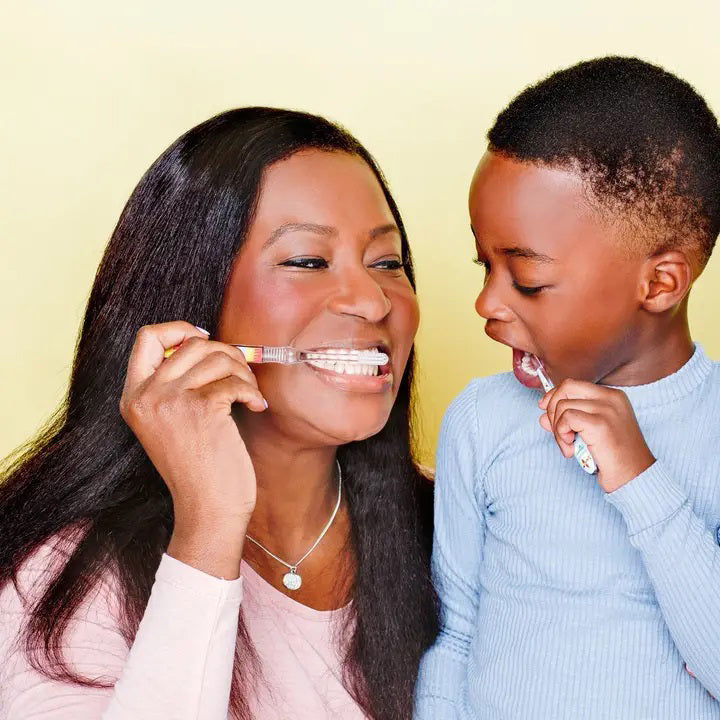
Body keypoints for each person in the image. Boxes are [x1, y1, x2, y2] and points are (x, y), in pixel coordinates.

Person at [0, 107, 438, 720]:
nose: (371, 300)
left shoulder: (458, 531)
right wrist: (208, 523)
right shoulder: (59, 579)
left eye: (387, 262)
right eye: (307, 261)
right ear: (194, 295)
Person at [416, 57, 720, 719]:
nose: (487, 303)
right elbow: (457, 634)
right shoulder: (484, 420)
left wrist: (641, 480)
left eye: (526, 278)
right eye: (483, 263)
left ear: (660, 284)